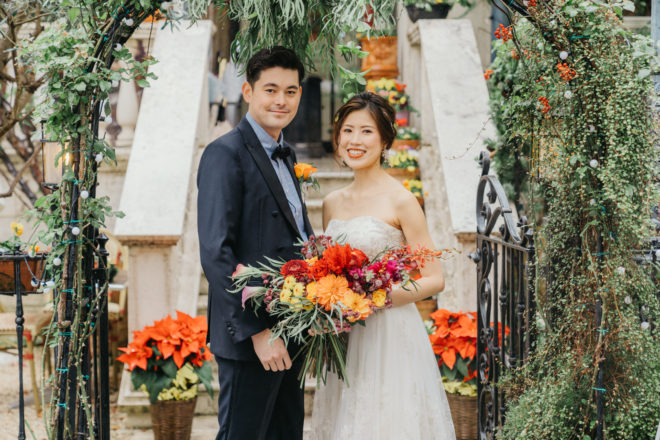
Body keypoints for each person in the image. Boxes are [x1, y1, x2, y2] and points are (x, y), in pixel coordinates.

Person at [310, 92, 456, 440]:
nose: (354, 141)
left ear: (385, 140)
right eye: (347, 131)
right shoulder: (331, 203)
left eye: (366, 131)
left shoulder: (402, 200)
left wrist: (374, 299)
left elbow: (434, 278)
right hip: (345, 336)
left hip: (388, 333)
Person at [197, 46, 313, 440]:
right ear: (248, 91)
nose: (281, 100)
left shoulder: (286, 154)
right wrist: (258, 332)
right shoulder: (224, 153)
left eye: (291, 91)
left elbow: (296, 237)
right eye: (271, 89)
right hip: (251, 338)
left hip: (292, 328)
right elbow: (216, 253)